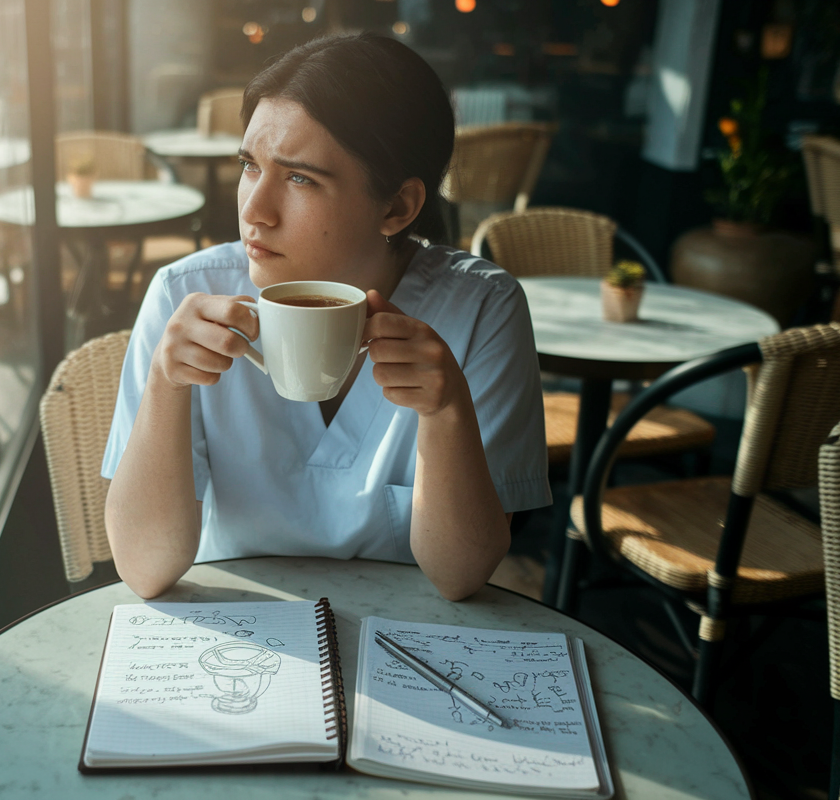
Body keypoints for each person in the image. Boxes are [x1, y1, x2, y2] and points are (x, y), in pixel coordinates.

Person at [102, 32, 550, 601]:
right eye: (248, 166)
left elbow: (460, 575)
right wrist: (167, 385)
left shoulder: (481, 310)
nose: (253, 212)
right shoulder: (185, 297)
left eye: (299, 178)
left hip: (404, 643)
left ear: (396, 206)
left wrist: (445, 412)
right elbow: (143, 569)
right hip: (236, 632)